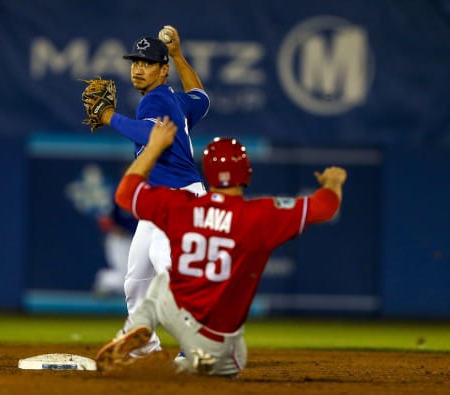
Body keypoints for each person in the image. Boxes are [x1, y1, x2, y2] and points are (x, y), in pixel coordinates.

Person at [95, 117, 347, 377]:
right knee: (227, 361)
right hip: (219, 340)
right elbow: (325, 208)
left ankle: (139, 327)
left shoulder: (181, 205)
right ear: (246, 172)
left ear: (208, 172)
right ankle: (191, 362)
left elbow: (126, 193)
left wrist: (154, 147)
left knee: (160, 283)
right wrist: (333, 183)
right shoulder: (261, 216)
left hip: (175, 314)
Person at [98, 26, 209, 356]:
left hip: (180, 199)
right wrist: (177, 55)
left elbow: (148, 135)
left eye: (147, 62)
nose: (138, 68)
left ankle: (197, 344)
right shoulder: (175, 99)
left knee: (170, 270)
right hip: (160, 201)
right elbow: (201, 98)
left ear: (162, 71)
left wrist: (107, 116)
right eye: (135, 62)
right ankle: (144, 341)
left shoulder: (155, 100)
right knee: (136, 280)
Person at [93, 200, 137, 296]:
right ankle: (105, 281)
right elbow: (103, 218)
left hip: (138, 240)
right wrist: (113, 227)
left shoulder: (148, 191)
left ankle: (107, 283)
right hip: (120, 240)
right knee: (129, 279)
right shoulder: (118, 193)